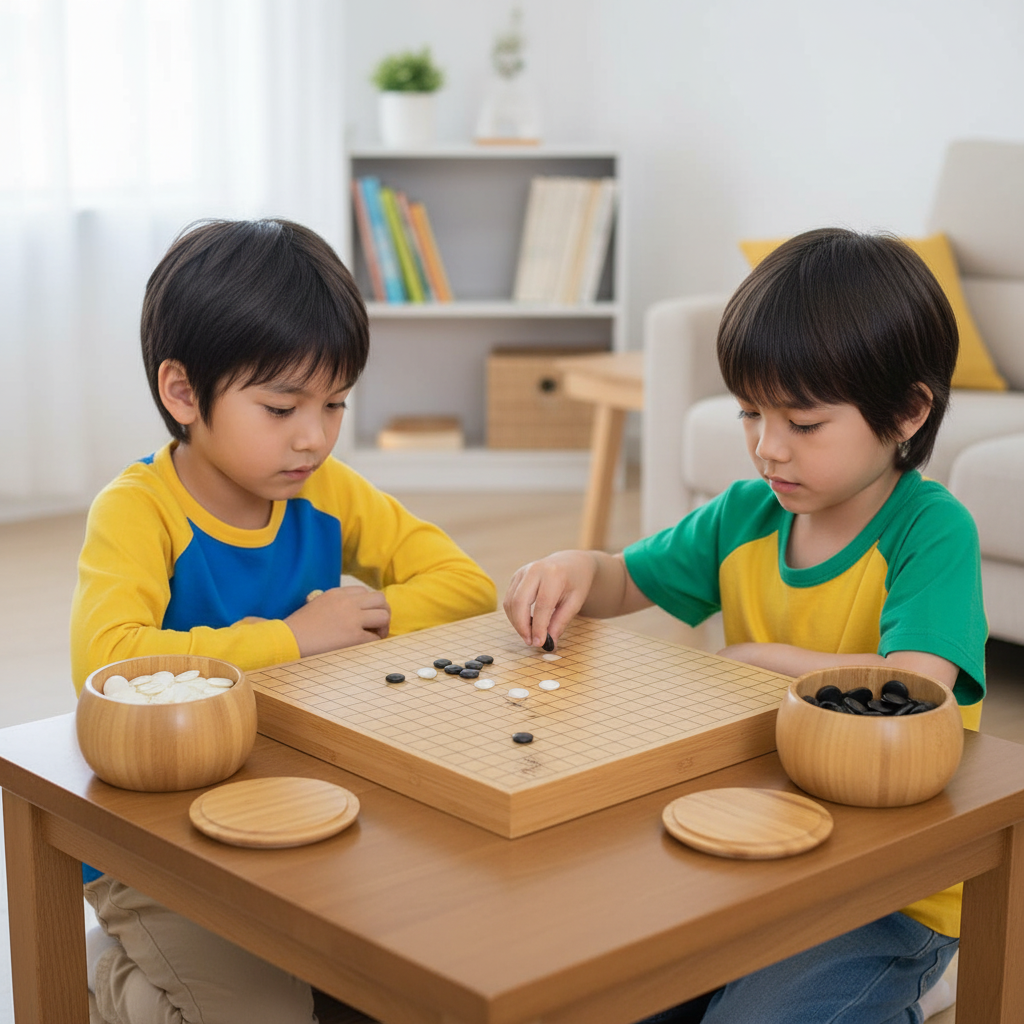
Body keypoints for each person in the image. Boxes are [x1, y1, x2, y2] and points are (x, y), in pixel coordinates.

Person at [504, 228, 985, 1024]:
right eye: (751, 414)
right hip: (754, 851)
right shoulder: (743, 514)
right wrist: (572, 568)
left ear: (906, 411)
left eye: (803, 424)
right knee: (594, 990)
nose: (768, 448)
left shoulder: (931, 530)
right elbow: (627, 580)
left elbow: (914, 684)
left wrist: (760, 661)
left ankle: (918, 984)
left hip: (891, 892)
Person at [71, 218, 497, 1024]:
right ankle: (106, 979)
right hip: (155, 839)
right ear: (183, 392)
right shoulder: (137, 511)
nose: (315, 435)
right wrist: (294, 639)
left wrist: (358, 618)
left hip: (289, 805)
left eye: (335, 403)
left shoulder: (323, 488)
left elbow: (465, 586)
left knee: (410, 967)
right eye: (281, 406)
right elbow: (107, 657)